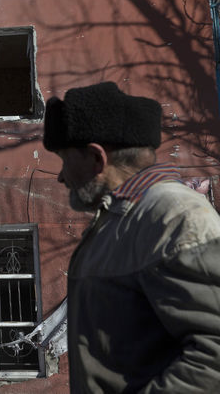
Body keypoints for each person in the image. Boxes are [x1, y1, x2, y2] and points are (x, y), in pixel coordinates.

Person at [43, 81, 220, 393]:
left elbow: (214, 355)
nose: (61, 177)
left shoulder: (173, 216)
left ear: (97, 159)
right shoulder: (116, 223)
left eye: (64, 159)